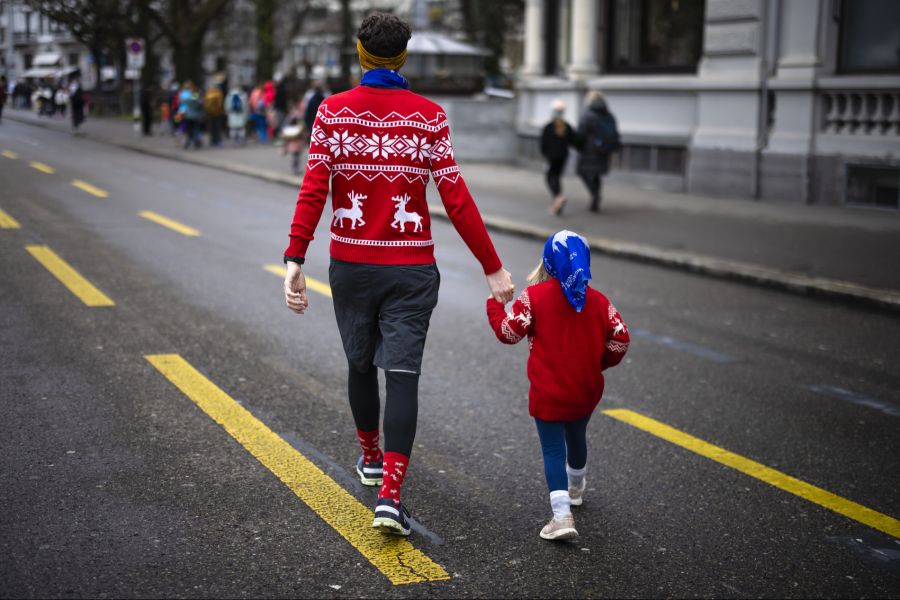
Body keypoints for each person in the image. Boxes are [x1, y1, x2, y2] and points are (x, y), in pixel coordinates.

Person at [282, 12, 514, 536]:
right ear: (402, 58)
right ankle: (390, 496)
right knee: (403, 376)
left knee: (360, 364)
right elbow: (456, 198)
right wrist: (493, 267)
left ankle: (369, 458)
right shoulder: (429, 117)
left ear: (361, 54)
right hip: (411, 270)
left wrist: (295, 258)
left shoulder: (332, 113)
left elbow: (314, 188)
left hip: (351, 267)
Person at [486, 230, 630, 541]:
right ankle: (576, 488)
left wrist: (494, 306)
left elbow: (508, 333)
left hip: (548, 392)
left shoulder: (534, 298)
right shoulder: (600, 301)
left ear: (548, 262)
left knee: (553, 449)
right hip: (585, 389)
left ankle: (561, 516)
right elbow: (621, 339)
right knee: (576, 436)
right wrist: (598, 363)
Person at [576, 91, 621, 212]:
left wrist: (578, 146)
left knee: (583, 173)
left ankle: (595, 194)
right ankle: (595, 196)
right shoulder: (609, 115)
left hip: (588, 150)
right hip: (604, 150)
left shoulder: (587, 115)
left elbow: (581, 133)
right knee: (596, 174)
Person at [540, 99, 576, 216]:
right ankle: (557, 201)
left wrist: (544, 153)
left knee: (550, 177)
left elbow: (543, 143)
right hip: (563, 156)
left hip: (551, 156)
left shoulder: (549, 127)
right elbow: (574, 141)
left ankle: (558, 197)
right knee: (556, 177)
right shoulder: (567, 127)